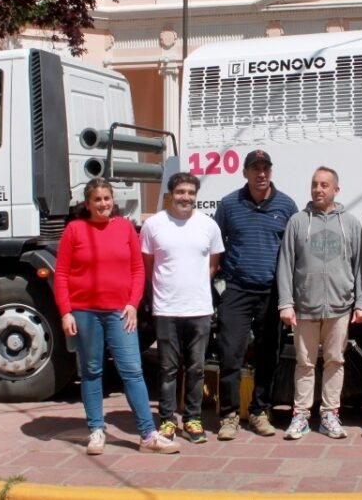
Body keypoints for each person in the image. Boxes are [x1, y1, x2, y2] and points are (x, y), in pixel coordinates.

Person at [53, 177, 179, 455]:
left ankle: (148, 434)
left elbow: (138, 270)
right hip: (84, 313)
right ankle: (96, 430)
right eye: (97, 199)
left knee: (132, 371)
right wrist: (66, 312)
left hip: (120, 312)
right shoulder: (74, 230)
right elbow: (61, 274)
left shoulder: (124, 227)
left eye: (106, 198)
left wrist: (133, 304)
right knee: (91, 371)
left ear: (113, 200)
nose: (103, 204)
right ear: (87, 204)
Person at [276, 167, 362, 440]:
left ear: (336, 190)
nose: (318, 189)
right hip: (305, 306)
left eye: (324, 185)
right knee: (304, 363)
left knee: (335, 361)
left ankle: (329, 414)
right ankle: (301, 415)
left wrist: (361, 302)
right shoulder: (297, 222)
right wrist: (286, 302)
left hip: (340, 307)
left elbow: (360, 266)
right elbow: (285, 264)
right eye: (315, 184)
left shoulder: (350, 223)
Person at [213, 150, 298, 440]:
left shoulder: (286, 205)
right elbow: (215, 245)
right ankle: (228, 415)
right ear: (245, 172)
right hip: (236, 290)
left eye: (265, 168)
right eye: (255, 168)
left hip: (272, 292)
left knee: (268, 354)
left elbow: (293, 250)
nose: (261, 173)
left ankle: (260, 411)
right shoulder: (229, 204)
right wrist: (218, 283)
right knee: (230, 354)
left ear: (271, 171)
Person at [141, 172, 224, 445]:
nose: (185, 197)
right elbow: (148, 266)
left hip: (199, 309)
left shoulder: (208, 225)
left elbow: (212, 266)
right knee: (168, 369)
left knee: (196, 368)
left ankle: (192, 419)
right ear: (170, 194)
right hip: (166, 309)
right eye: (180, 192)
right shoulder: (153, 225)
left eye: (190, 192)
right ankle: (167, 420)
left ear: (195, 196)